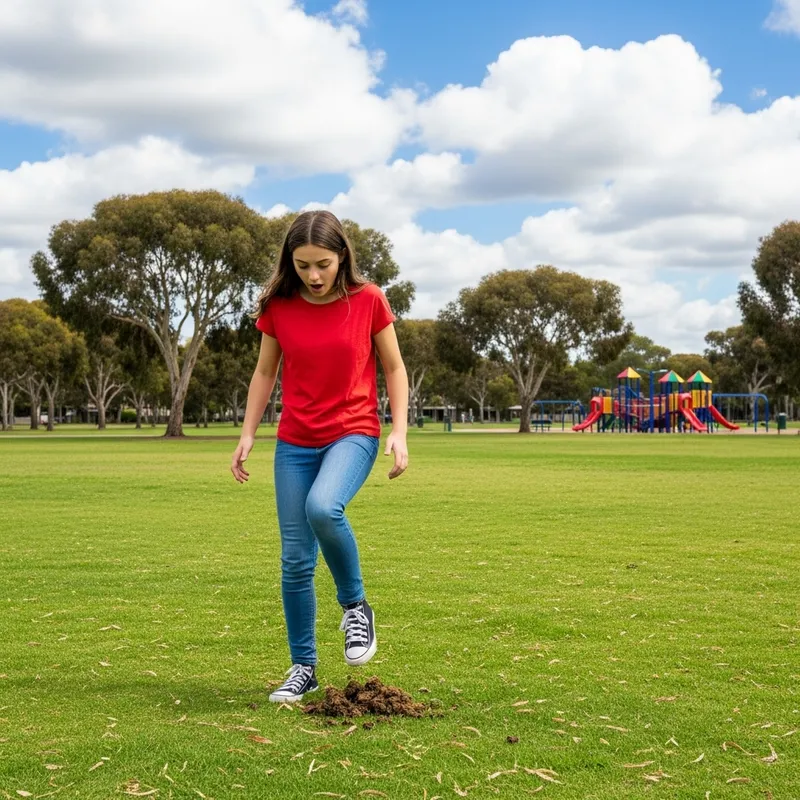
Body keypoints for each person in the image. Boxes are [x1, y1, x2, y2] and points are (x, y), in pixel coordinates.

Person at [230, 210, 409, 704]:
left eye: (323, 264)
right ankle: (303, 667)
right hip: (295, 441)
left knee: (323, 507)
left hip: (352, 432)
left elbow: (394, 367)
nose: (313, 275)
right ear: (290, 261)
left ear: (342, 258)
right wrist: (248, 433)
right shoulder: (279, 306)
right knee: (294, 560)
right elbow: (265, 373)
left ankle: (355, 606)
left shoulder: (368, 299)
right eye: (303, 264)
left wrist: (399, 431)